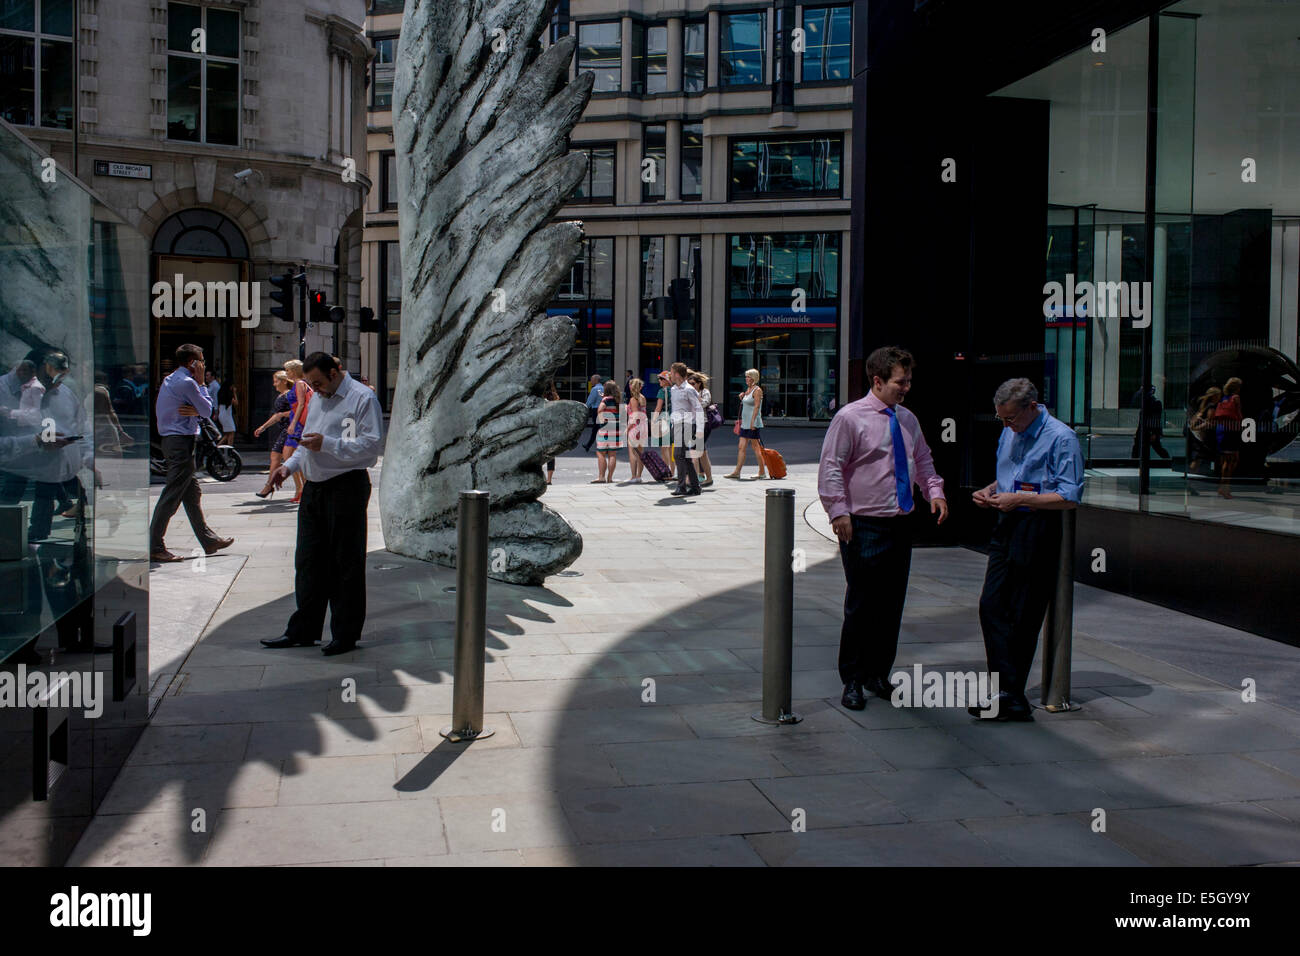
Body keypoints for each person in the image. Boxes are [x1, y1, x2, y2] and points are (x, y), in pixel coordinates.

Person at [818, 346, 948, 711]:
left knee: (891, 604)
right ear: (877, 381)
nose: (906, 388)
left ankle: (878, 674)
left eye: (908, 381)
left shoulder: (907, 419)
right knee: (862, 603)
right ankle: (853, 679)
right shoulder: (849, 418)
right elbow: (831, 466)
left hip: (899, 524)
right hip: (862, 524)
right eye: (899, 382)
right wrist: (838, 512)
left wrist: (934, 491)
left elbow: (922, 459)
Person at [969, 377, 1084, 722]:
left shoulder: (1062, 438)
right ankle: (1009, 692)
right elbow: (1008, 476)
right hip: (1005, 523)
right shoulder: (1010, 430)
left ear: (1032, 407)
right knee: (991, 605)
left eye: (1012, 419)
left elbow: (1069, 495)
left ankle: (1009, 695)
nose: (1007, 427)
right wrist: (990, 491)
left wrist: (1019, 498)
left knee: (1023, 613)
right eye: (1001, 420)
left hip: (1037, 526)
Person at [261, 353, 385, 655]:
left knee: (345, 563)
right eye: (311, 384)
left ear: (335, 372)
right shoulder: (317, 396)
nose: (316, 390)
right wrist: (288, 467)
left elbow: (371, 447)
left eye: (319, 383)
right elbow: (307, 441)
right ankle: (304, 628)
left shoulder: (361, 399)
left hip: (346, 487)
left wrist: (328, 444)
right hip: (315, 489)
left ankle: (345, 634)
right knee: (308, 561)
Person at [149, 344, 234, 562]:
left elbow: (199, 410)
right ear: (192, 363)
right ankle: (155, 545)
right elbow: (207, 411)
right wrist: (202, 384)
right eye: (202, 360)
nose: (204, 364)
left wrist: (196, 407)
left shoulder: (171, 379)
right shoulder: (188, 382)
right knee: (172, 495)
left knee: (192, 493)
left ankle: (208, 540)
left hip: (174, 440)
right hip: (180, 442)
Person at [254, 370, 293, 496]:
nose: (274, 384)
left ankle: (269, 485)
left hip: (290, 429)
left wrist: (283, 414)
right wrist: (263, 427)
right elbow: (276, 416)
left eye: (276, 381)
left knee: (282, 458)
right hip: (284, 430)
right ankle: (270, 485)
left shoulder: (289, 395)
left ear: (284, 381)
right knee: (278, 458)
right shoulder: (281, 395)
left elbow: (299, 410)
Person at [667, 362, 703, 497]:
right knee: (685, 457)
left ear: (676, 374)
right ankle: (695, 487)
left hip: (687, 424)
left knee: (678, 454)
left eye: (671, 372)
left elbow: (698, 408)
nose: (670, 375)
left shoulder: (689, 389)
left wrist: (699, 428)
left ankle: (681, 486)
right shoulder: (673, 389)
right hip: (676, 424)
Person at [278, 358, 311, 503]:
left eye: (289, 370)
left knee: (290, 455)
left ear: (295, 371)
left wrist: (294, 423)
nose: (287, 373)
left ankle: (303, 488)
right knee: (292, 456)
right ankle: (301, 488)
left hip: (297, 423)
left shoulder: (299, 384)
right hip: (295, 421)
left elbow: (302, 404)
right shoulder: (299, 384)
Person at [726, 368, 767, 479]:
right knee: (741, 447)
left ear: (754, 378)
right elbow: (748, 404)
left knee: (756, 448)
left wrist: (753, 422)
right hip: (745, 423)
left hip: (752, 423)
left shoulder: (757, 390)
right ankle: (737, 472)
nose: (746, 378)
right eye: (746, 376)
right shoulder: (748, 390)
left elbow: (757, 407)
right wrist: (742, 397)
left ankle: (762, 472)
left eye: (748, 377)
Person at [1214, 377, 1244, 499]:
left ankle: (1223, 486)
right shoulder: (1235, 398)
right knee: (1231, 460)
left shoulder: (1223, 399)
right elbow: (1239, 414)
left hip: (1222, 430)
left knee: (1227, 459)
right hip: (1232, 430)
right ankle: (1224, 487)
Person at [688, 370, 715, 486]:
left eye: (693, 383)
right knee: (702, 453)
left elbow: (705, 403)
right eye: (690, 383)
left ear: (699, 383)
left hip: (703, 424)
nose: (691, 386)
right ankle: (708, 479)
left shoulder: (705, 392)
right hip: (694, 423)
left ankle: (692, 480)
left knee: (694, 451)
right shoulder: (689, 392)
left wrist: (696, 400)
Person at [593, 379, 623, 483]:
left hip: (606, 429)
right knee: (612, 454)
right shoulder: (617, 400)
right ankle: (610, 478)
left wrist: (602, 420)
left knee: (600, 452)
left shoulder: (605, 400)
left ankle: (601, 477)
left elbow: (600, 409)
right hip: (616, 429)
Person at [625, 377, 648, 482]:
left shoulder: (633, 399)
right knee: (640, 452)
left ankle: (633, 476)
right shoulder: (642, 397)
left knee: (632, 452)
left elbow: (635, 416)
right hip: (643, 426)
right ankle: (639, 476)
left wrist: (628, 428)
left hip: (635, 427)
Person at [654, 371, 675, 480]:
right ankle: (672, 471)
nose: (659, 381)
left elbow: (658, 408)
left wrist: (653, 420)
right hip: (675, 420)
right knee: (672, 447)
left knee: (664, 448)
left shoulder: (662, 391)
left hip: (665, 420)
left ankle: (667, 472)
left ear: (667, 381)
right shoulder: (675, 390)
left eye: (661, 379)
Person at [581, 374, 604, 452]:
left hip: (596, 410)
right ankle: (589, 445)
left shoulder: (595, 389)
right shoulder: (604, 388)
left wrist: (585, 408)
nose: (591, 381)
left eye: (592, 380)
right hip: (604, 410)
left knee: (596, 428)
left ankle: (592, 445)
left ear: (596, 380)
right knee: (599, 428)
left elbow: (590, 401)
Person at [542, 379, 560, 484]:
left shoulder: (540, 398)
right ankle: (549, 479)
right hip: (552, 428)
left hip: (542, 427)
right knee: (551, 454)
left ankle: (542, 477)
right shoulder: (555, 397)